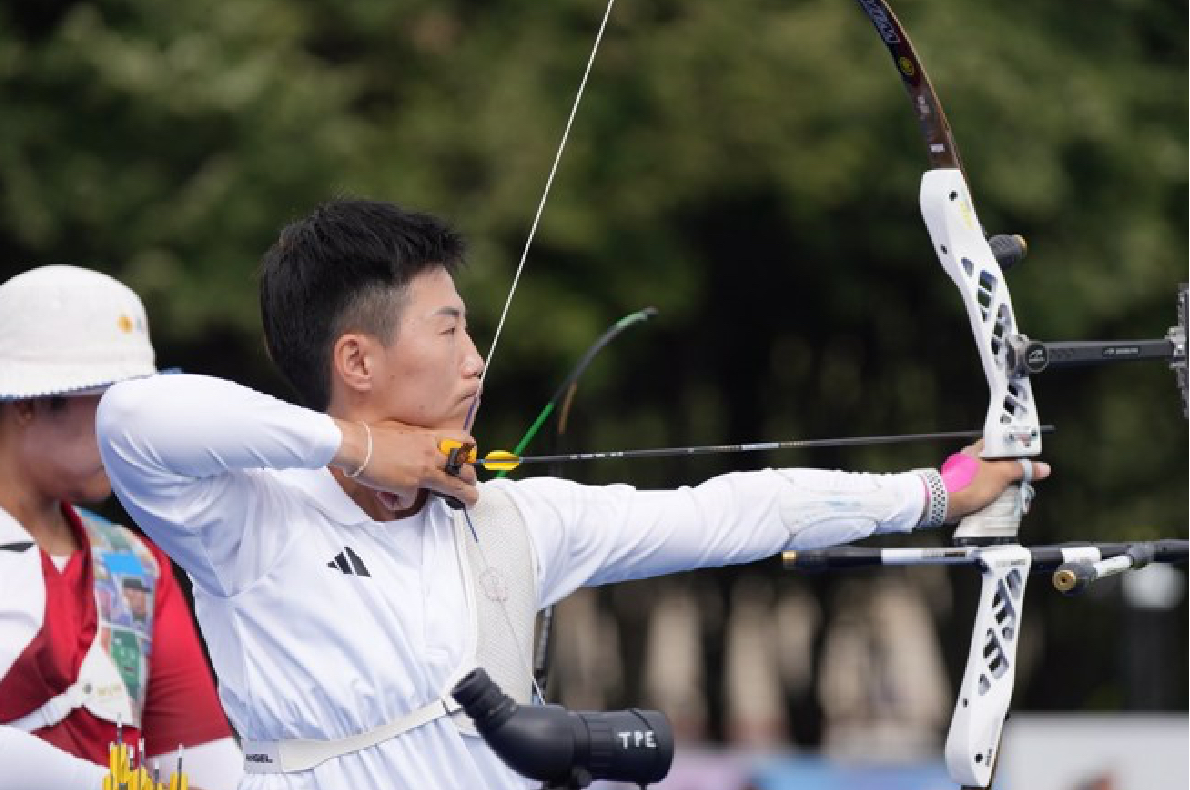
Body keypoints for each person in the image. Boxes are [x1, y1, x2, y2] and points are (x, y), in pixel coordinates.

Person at [96, 199, 1048, 789]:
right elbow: (133, 419)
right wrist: (356, 447)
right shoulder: (250, 515)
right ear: (357, 359)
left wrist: (943, 487)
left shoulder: (511, 523)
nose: (476, 364)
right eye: (448, 332)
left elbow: (728, 511)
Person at [0, 265, 246, 789]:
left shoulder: (134, 564)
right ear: (28, 405)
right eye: (115, 407)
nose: (134, 434)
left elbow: (207, 768)